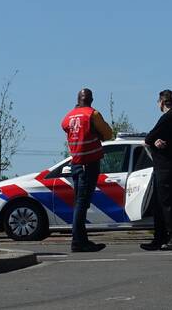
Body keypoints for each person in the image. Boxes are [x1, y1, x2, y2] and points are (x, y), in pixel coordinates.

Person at [61, 88, 113, 253]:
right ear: (91, 99)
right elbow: (108, 134)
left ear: (78, 99)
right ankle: (78, 242)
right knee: (82, 204)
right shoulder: (93, 114)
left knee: (79, 203)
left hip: (76, 163)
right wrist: (97, 133)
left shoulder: (68, 116)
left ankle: (81, 240)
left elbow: (64, 127)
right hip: (88, 164)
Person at [140, 89, 172, 251]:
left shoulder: (168, 117)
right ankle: (159, 237)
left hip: (167, 168)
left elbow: (147, 139)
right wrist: (156, 140)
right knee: (160, 205)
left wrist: (153, 140)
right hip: (170, 167)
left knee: (168, 204)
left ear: (162, 102)